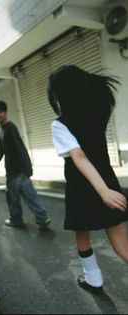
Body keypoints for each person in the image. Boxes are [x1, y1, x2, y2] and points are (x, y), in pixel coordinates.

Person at [48, 65, 128, 294]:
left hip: (81, 187)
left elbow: (79, 156)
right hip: (106, 180)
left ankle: (93, 279)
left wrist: (101, 192)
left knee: (82, 235)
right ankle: (92, 279)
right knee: (123, 247)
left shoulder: (59, 124)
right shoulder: (99, 113)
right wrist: (105, 189)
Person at [0, 100, 51, 229]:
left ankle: (19, 219)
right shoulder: (1, 128)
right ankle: (41, 219)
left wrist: (27, 167)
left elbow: (20, 148)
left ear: (5, 112)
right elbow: (1, 147)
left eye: (0, 111)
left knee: (16, 197)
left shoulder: (10, 127)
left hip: (18, 170)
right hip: (13, 170)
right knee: (26, 195)